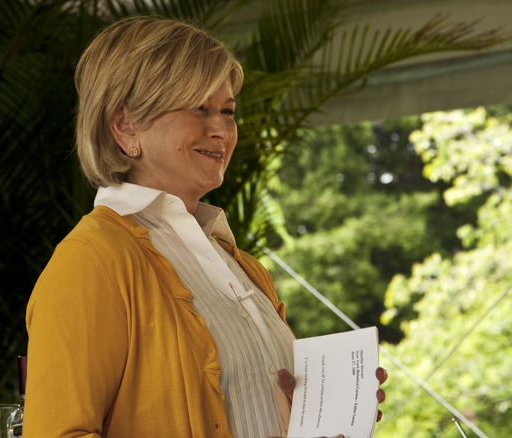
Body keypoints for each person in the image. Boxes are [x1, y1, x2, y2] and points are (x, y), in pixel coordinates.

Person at [24, 15, 387, 438]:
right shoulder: (91, 260)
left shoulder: (244, 268)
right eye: (198, 108)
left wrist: (324, 414)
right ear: (125, 127)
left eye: (228, 111)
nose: (221, 130)